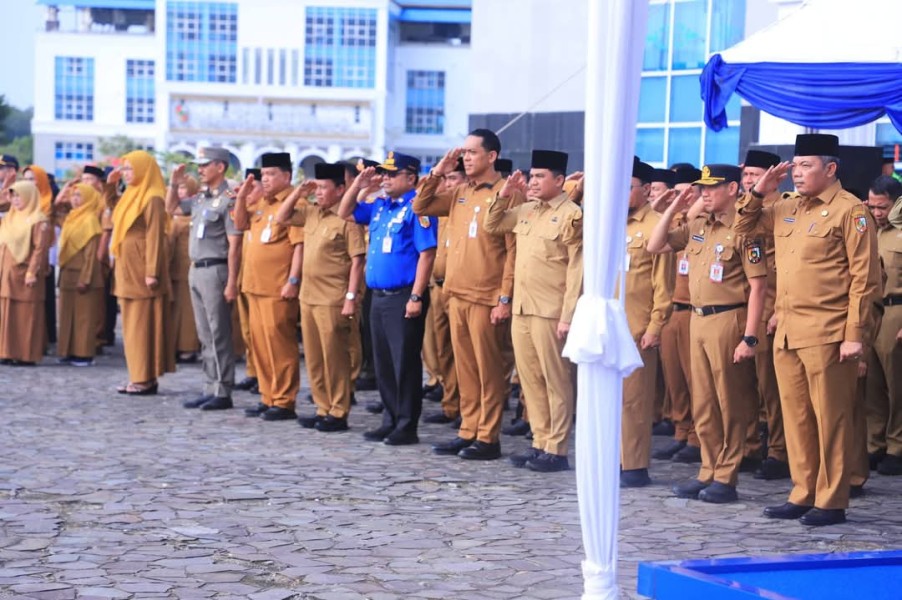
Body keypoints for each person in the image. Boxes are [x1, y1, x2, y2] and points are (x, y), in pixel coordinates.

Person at [735, 133, 880, 526]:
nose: (797, 174)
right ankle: (803, 491)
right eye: (794, 167)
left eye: (806, 166)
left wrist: (854, 335)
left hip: (829, 331)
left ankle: (831, 500)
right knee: (797, 418)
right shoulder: (785, 208)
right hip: (787, 330)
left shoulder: (851, 211)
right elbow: (743, 231)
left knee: (830, 419)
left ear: (830, 169)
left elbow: (864, 280)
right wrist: (759, 191)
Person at [648, 164, 766, 504]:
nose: (705, 194)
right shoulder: (697, 225)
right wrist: (675, 205)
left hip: (728, 318)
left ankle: (726, 476)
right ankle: (707, 469)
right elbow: (656, 245)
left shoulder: (745, 230)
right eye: (701, 189)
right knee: (703, 401)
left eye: (712, 188)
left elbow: (758, 288)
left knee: (729, 401)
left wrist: (749, 336)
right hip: (698, 320)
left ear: (733, 189)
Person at [414, 129, 522, 461]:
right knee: (465, 370)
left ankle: (488, 438)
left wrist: (504, 298)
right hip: (456, 294)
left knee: (488, 370)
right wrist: (438, 171)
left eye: (473, 152)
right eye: (464, 153)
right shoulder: (460, 190)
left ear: (492, 156)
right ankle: (468, 429)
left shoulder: (509, 192)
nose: (466, 158)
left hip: (486, 297)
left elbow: (513, 251)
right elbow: (422, 204)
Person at [483, 149, 583, 473]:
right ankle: (540, 443)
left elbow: (576, 270)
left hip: (551, 310)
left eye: (541, 176)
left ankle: (557, 448)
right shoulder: (525, 210)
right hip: (523, 308)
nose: (534, 181)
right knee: (530, 380)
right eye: (532, 176)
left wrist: (568, 315)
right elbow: (492, 224)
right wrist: (505, 194)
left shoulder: (572, 214)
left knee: (556, 381)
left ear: (559, 180)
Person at [338, 152, 437, 445]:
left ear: (411, 177)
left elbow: (426, 254)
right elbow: (344, 211)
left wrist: (417, 295)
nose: (386, 179)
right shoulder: (381, 206)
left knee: (404, 362)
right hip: (378, 295)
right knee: (382, 361)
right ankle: (390, 418)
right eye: (384, 174)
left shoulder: (417, 208)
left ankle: (406, 424)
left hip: (404, 295)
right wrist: (358, 184)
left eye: (393, 175)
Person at [276, 162, 366, 432]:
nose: (320, 193)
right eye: (317, 187)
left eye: (324, 188)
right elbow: (282, 217)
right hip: (309, 297)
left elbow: (358, 261)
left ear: (341, 189)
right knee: (314, 358)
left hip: (333, 298)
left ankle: (338, 411)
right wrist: (299, 192)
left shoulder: (347, 218)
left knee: (334, 357)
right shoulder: (312, 212)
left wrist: (351, 297)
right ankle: (322, 407)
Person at [169, 148, 243, 411]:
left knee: (218, 331)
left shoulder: (229, 200)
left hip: (216, 269)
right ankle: (210, 386)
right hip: (196, 268)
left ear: (220, 167)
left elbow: (234, 244)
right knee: (204, 333)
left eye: (205, 165)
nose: (199, 170)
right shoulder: (201, 198)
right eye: (198, 166)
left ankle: (223, 390)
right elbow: (173, 208)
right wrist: (174, 182)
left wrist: (232, 281)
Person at [233, 153, 304, 421]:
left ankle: (285, 400)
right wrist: (241, 197)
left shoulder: (292, 203)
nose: (266, 179)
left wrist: (293, 280)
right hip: (254, 286)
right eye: (264, 174)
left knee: (279, 345)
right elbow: (240, 224)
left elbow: (299, 246)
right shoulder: (261, 202)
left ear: (287, 176)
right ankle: (268, 395)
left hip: (278, 287)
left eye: (272, 174)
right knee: (259, 345)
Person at [619, 158, 675, 486]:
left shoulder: (656, 224)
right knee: (609, 399)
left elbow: (663, 285)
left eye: (628, 187)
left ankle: (634, 465)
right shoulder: (609, 224)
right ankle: (612, 458)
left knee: (635, 401)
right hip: (607, 327)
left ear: (645, 190)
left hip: (636, 327)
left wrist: (655, 325)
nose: (622, 193)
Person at [738, 149, 790, 480]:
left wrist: (780, 308)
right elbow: (742, 226)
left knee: (772, 385)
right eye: (745, 175)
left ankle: (779, 451)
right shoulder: (744, 207)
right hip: (743, 302)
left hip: (772, 302)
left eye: (755, 175)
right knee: (749, 384)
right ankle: (752, 445)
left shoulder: (785, 207)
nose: (749, 181)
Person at [111, 150, 175, 395]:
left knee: (141, 325)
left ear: (143, 170)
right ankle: (137, 375)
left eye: (129, 169)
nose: (126, 174)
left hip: (142, 270)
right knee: (130, 324)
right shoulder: (131, 195)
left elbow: (155, 236)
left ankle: (144, 378)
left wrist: (152, 271)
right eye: (124, 169)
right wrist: (110, 187)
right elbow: (115, 213)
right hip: (127, 267)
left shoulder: (152, 197)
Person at [654, 166, 702, 463]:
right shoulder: (677, 224)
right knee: (676, 382)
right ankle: (681, 431)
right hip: (673, 308)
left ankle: (697, 437)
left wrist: (693, 198)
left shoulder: (698, 224)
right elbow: (656, 236)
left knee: (695, 380)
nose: (685, 198)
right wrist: (671, 204)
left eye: (691, 192)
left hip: (695, 311)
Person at [422, 158, 466, 425]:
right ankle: (451, 404)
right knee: (443, 350)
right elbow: (420, 203)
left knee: (464, 353)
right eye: (446, 180)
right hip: (437, 287)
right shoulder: (442, 211)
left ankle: (467, 409)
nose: (448, 184)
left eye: (454, 179)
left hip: (460, 290)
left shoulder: (464, 209)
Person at [865, 175, 902, 474]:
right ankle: (873, 443)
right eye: (873, 206)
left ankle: (896, 446)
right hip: (871, 313)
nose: (878, 212)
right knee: (872, 384)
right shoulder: (867, 231)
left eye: (883, 207)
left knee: (896, 383)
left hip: (897, 312)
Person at [0, 181, 51, 365]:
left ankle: (26, 355)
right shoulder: (9, 218)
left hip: (25, 273)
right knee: (8, 313)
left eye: (19, 195)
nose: (15, 200)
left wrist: (32, 271)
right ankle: (7, 352)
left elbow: (40, 248)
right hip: (7, 273)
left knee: (26, 315)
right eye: (12, 196)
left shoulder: (38, 219)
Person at [56, 183, 103, 366]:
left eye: (79, 196)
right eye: (73, 195)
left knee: (84, 316)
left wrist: (86, 278)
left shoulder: (90, 220)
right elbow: (53, 212)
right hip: (68, 272)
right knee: (67, 315)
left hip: (84, 274)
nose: (75, 199)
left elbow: (91, 254)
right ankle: (66, 351)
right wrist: (63, 194)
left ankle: (83, 354)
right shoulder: (70, 217)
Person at [166, 169, 201, 364]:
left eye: (184, 188)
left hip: (189, 266)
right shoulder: (173, 213)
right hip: (173, 266)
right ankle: (173, 345)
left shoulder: (194, 211)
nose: (180, 191)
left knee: (188, 310)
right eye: (178, 187)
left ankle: (188, 347)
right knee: (174, 310)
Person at [233, 168, 263, 394]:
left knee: (262, 332)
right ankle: (253, 371)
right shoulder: (248, 209)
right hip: (246, 276)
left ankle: (262, 375)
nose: (248, 192)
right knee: (247, 330)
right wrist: (240, 198)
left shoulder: (268, 210)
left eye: (253, 187)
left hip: (265, 280)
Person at [22, 165, 58, 348]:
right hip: (22, 258)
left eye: (32, 179)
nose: (29, 183)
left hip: (45, 258)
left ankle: (44, 340)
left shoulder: (49, 203)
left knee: (44, 300)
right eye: (26, 179)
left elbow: (52, 235)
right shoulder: (22, 202)